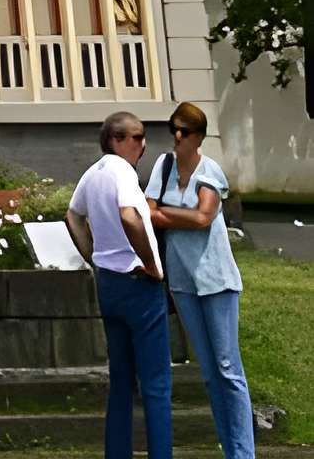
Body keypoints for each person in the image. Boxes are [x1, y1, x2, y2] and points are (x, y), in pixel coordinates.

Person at [147, 99, 254, 459]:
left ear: (199, 136)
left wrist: (165, 214)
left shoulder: (210, 171)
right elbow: (149, 213)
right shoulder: (162, 169)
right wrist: (176, 214)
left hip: (216, 279)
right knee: (209, 372)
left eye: (185, 130)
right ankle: (230, 448)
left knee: (228, 369)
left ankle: (243, 453)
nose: (177, 136)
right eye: (173, 128)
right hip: (182, 279)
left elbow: (203, 217)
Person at [67, 109, 173, 459]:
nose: (143, 145)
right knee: (156, 384)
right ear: (116, 139)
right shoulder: (122, 172)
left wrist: (92, 256)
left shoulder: (92, 173)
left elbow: (73, 215)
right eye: (137, 137)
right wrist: (150, 264)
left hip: (109, 282)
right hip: (138, 282)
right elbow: (129, 215)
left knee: (122, 382)